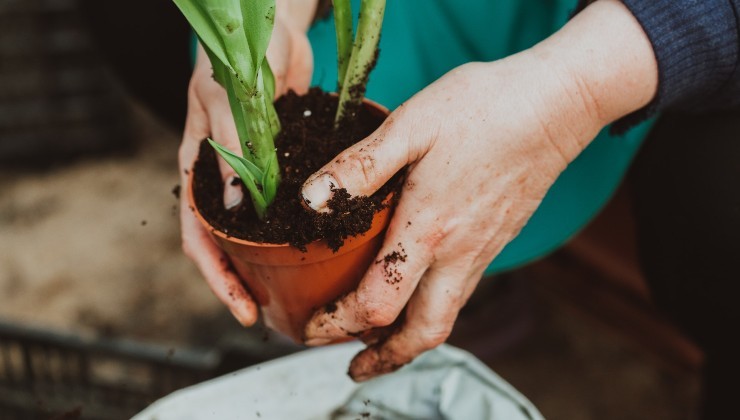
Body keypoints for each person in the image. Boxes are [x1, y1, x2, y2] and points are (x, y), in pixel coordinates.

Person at [176, 0, 740, 417]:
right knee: (139, 23)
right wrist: (257, 26)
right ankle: (437, 280)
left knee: (721, 208)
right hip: (407, 20)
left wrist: (572, 94)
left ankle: (466, 271)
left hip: (621, 34)